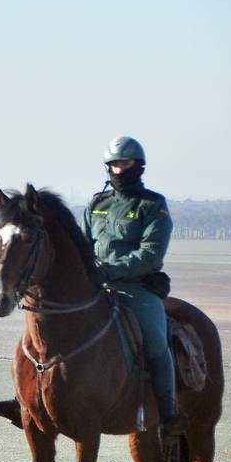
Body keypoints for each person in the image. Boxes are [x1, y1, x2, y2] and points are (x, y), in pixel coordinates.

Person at [85, 136, 186, 437]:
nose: (119, 170)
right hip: (96, 288)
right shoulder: (97, 203)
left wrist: (110, 270)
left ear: (138, 166)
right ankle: (30, 402)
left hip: (137, 288)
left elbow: (150, 253)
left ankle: (168, 414)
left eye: (125, 164)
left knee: (155, 338)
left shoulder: (152, 205)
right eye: (114, 164)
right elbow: (82, 245)